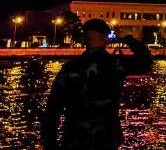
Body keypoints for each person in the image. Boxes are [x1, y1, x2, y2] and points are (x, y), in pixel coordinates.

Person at [41, 19, 152, 150]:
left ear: (84, 39)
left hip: (75, 139)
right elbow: (146, 60)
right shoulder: (116, 65)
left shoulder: (70, 68)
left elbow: (52, 110)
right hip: (106, 139)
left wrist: (51, 145)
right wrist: (127, 38)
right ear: (106, 39)